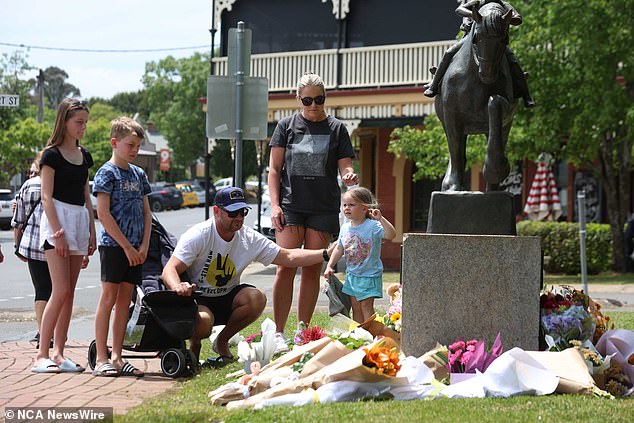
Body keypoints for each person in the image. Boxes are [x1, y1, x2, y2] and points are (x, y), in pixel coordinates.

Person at [162, 187, 329, 364]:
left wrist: (326, 253)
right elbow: (169, 270)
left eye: (243, 212)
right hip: (200, 299)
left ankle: (222, 340)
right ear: (217, 211)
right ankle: (195, 343)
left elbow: (287, 256)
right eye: (233, 213)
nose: (239, 218)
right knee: (204, 322)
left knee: (256, 298)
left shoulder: (247, 237)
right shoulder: (199, 235)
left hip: (227, 297)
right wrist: (178, 286)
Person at [268, 72, 358, 352]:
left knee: (310, 270)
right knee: (284, 267)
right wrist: (274, 204)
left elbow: (344, 168)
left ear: (325, 98)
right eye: (307, 100)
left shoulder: (337, 128)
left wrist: (349, 175)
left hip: (322, 207)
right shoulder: (286, 126)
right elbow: (274, 170)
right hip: (291, 206)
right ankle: (279, 332)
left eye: (318, 99)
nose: (313, 105)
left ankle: (302, 331)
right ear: (298, 99)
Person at [31, 98, 96, 374]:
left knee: (70, 294)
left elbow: (86, 195)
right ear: (65, 122)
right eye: (78, 122)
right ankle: (41, 354)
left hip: (79, 222)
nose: (82, 127)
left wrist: (93, 230)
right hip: (57, 223)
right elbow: (46, 197)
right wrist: (57, 232)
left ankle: (59, 353)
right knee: (60, 290)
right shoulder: (51, 155)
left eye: (85, 122)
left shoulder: (85, 155)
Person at [92, 117, 151, 377]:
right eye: (130, 145)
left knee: (125, 303)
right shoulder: (106, 173)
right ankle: (102, 357)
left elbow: (147, 213)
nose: (135, 150)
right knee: (108, 299)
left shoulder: (139, 174)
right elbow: (103, 214)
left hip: (137, 249)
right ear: (115, 143)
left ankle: (118, 356)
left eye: (138, 146)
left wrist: (144, 244)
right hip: (114, 248)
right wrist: (126, 246)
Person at [424, 0, 535, 108]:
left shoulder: (503, 5)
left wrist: (506, 19)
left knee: (513, 61)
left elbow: (518, 18)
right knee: (449, 53)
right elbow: (459, 10)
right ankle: (434, 84)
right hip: (474, 39)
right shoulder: (477, 3)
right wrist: (473, 14)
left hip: (496, 43)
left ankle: (526, 94)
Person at [324, 187, 396, 323]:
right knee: (356, 308)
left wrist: (381, 219)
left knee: (366, 307)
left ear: (364, 209)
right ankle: (360, 337)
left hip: (370, 275)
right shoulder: (345, 228)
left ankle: (372, 336)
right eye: (344, 205)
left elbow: (391, 234)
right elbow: (339, 248)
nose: (346, 208)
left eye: (351, 205)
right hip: (352, 276)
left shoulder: (373, 226)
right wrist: (329, 266)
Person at [12, 158, 53, 347]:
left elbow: (18, 220)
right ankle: (56, 333)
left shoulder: (28, 186)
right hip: (55, 243)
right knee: (58, 291)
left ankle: (43, 333)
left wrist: (16, 245)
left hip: (32, 245)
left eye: (32, 172)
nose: (31, 175)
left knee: (41, 290)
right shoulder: (57, 182)